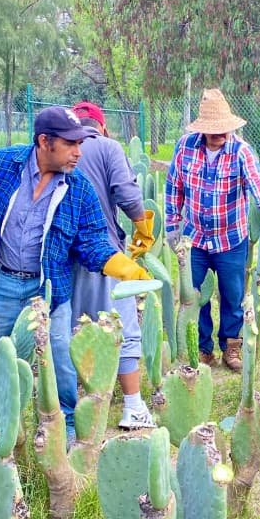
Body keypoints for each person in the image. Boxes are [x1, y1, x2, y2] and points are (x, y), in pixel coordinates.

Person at [0, 105, 150, 440]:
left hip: (49, 290)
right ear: (44, 142)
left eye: (80, 144)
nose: (78, 152)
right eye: (70, 144)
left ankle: (63, 428)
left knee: (61, 365)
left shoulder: (78, 188)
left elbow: (94, 240)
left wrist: (122, 266)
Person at [165, 88, 260, 372]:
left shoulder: (240, 151)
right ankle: (202, 348)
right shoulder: (185, 147)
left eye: (224, 129)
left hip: (231, 238)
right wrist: (171, 225)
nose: (219, 134)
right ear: (202, 129)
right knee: (195, 295)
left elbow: (256, 182)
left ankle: (232, 346)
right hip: (194, 239)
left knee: (233, 295)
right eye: (213, 129)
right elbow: (174, 186)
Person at [68, 100, 155, 429]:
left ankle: (74, 409)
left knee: (73, 328)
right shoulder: (107, 147)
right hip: (105, 254)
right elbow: (127, 194)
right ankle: (132, 406)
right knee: (122, 327)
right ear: (101, 127)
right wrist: (143, 228)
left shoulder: (57, 146)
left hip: (63, 255)